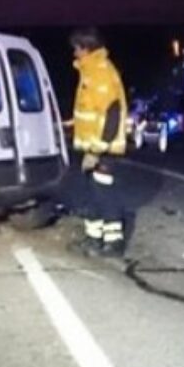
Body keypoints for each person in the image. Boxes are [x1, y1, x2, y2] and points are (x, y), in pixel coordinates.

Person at [69, 27, 129, 257]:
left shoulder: (100, 72)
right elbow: (92, 111)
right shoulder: (90, 70)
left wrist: (96, 151)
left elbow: (112, 113)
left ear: (86, 48)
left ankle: (113, 242)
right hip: (93, 147)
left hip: (103, 148)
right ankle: (94, 238)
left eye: (76, 48)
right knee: (92, 193)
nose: (74, 53)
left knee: (103, 192)